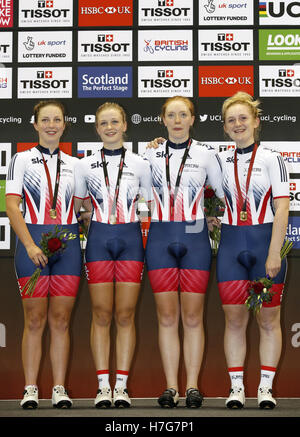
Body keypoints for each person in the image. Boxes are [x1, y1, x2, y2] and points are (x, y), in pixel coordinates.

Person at [145, 96, 223, 408]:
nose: (177, 120)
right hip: (160, 238)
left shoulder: (206, 153)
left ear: (192, 119)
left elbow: (224, 193)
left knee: (192, 316)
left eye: (183, 114)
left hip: (195, 239)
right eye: (171, 115)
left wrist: (215, 216)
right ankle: (171, 387)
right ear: (163, 120)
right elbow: (130, 194)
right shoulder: (149, 154)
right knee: (166, 317)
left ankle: (192, 386)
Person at [5, 100, 84, 409]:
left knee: (62, 320)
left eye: (57, 119)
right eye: (45, 119)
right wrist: (29, 244)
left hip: (67, 246)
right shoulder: (20, 159)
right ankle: (30, 388)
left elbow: (79, 207)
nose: (52, 124)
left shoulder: (76, 163)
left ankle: (59, 388)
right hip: (32, 244)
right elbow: (12, 207)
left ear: (64, 124)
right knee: (35, 320)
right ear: (35, 124)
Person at [74, 102, 152, 408]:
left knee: (125, 314)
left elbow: (150, 203)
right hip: (99, 241)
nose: (109, 127)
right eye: (103, 123)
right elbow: (79, 206)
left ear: (124, 125)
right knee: (102, 314)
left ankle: (122, 386)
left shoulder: (141, 163)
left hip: (131, 240)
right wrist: (85, 216)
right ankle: (102, 386)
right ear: (96, 128)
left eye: (115, 122)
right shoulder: (83, 164)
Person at [216, 92, 290, 409]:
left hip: (264, 246)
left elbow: (283, 206)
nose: (238, 124)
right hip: (231, 244)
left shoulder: (273, 159)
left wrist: (274, 252)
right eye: (231, 120)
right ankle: (236, 388)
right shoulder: (218, 159)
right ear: (225, 127)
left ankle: (265, 388)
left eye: (243, 118)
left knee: (268, 321)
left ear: (256, 122)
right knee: (234, 320)